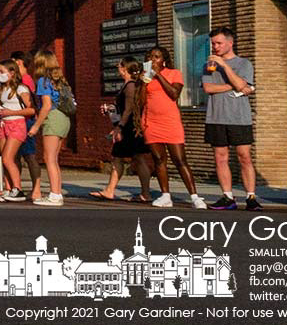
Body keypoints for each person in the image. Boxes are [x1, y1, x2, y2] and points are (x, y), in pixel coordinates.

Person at [202, 26, 260, 211]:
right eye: (213, 43)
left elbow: (243, 83)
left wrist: (225, 66)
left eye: (219, 43)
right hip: (216, 117)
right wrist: (234, 86)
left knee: (244, 156)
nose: (215, 47)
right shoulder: (208, 64)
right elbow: (209, 88)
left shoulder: (244, 64)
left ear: (230, 43)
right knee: (220, 157)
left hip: (239, 118)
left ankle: (251, 196)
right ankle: (227, 197)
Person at [143, 46, 204, 209]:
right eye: (150, 57)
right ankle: (165, 196)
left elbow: (174, 94)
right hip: (151, 122)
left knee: (179, 159)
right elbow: (140, 100)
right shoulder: (146, 76)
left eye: (156, 57)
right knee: (159, 159)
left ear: (163, 60)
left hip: (170, 122)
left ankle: (195, 197)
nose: (153, 60)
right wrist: (144, 80)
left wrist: (158, 75)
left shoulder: (174, 73)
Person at [93, 58, 152, 204]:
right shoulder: (128, 85)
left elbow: (129, 109)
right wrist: (111, 109)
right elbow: (123, 108)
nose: (117, 67)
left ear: (124, 69)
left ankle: (144, 193)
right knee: (123, 158)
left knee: (136, 158)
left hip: (130, 128)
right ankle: (110, 190)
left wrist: (119, 127)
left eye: (119, 65)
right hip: (129, 126)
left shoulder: (130, 86)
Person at [28, 49, 71, 207]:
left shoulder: (43, 81)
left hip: (52, 118)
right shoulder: (59, 80)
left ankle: (54, 195)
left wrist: (36, 126)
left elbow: (46, 106)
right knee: (54, 159)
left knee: (49, 159)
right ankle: (57, 192)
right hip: (64, 118)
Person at [0, 61, 33, 201]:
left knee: (8, 158)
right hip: (3, 125)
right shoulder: (2, 89)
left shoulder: (21, 89)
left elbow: (31, 109)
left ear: (12, 73)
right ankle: (8, 188)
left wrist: (10, 112)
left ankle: (17, 189)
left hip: (17, 124)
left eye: (2, 71)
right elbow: (0, 110)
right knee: (6, 159)